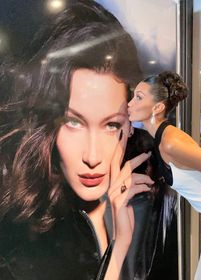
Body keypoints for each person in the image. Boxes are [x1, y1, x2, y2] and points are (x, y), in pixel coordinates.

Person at [0, 2, 178, 279]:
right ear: (49, 126)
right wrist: (120, 248)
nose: (92, 157)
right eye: (73, 122)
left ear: (130, 123)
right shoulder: (24, 237)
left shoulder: (158, 197)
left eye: (111, 124)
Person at [128, 71, 201, 279]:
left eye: (138, 97)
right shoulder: (162, 139)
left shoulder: (171, 142)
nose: (130, 103)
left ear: (158, 107)